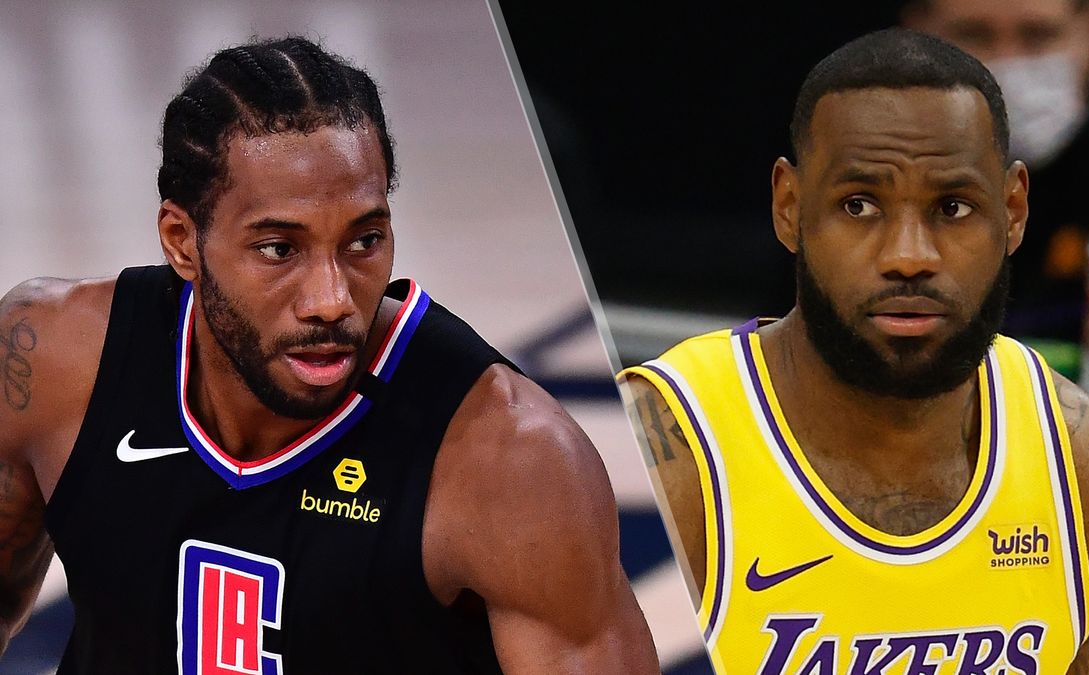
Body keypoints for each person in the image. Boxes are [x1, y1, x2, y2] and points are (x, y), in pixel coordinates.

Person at [0, 37, 658, 673]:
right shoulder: (54, 363)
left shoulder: (511, 461)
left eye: (364, 239)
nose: (331, 299)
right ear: (182, 242)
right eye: (279, 249)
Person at [621, 28, 1089, 674]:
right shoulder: (662, 467)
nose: (909, 255)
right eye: (859, 205)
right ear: (789, 207)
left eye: (952, 206)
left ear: (1014, 209)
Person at [902, 0, 1089, 347]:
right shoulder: (866, 156)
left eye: (1038, 36)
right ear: (916, 33)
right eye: (973, 34)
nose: (1007, 63)